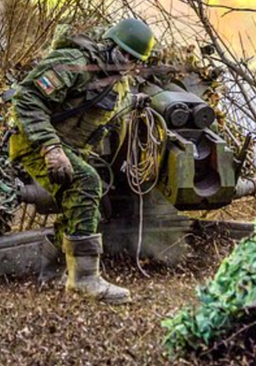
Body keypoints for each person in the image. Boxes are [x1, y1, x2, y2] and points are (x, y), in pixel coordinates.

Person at [9, 18, 156, 304]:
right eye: (124, 53)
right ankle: (85, 280)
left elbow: (103, 109)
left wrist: (134, 101)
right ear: (110, 43)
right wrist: (50, 148)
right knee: (86, 183)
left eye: (134, 59)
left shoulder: (118, 83)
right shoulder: (74, 61)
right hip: (35, 142)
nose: (127, 62)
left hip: (69, 148)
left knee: (84, 204)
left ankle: (52, 274)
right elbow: (27, 99)